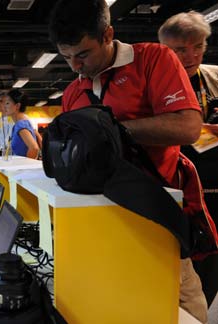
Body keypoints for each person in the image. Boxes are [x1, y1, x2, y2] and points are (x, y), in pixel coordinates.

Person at [49, 0, 207, 322]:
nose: (75, 67)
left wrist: (110, 132)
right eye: (66, 58)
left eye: (83, 54)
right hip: (100, 223)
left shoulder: (153, 59)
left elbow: (188, 127)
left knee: (185, 305)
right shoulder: (72, 92)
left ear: (108, 35)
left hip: (156, 214)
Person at [159, 10, 218, 307]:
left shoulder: (214, 77)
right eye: (181, 49)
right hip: (176, 192)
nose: (191, 55)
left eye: (199, 47)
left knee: (209, 271)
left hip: (214, 191)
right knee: (177, 272)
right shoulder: (153, 84)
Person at [2, 89, 39, 159]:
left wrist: (25, 166)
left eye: (7, 103)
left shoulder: (21, 125)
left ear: (17, 106)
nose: (4, 106)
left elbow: (34, 148)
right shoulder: (21, 123)